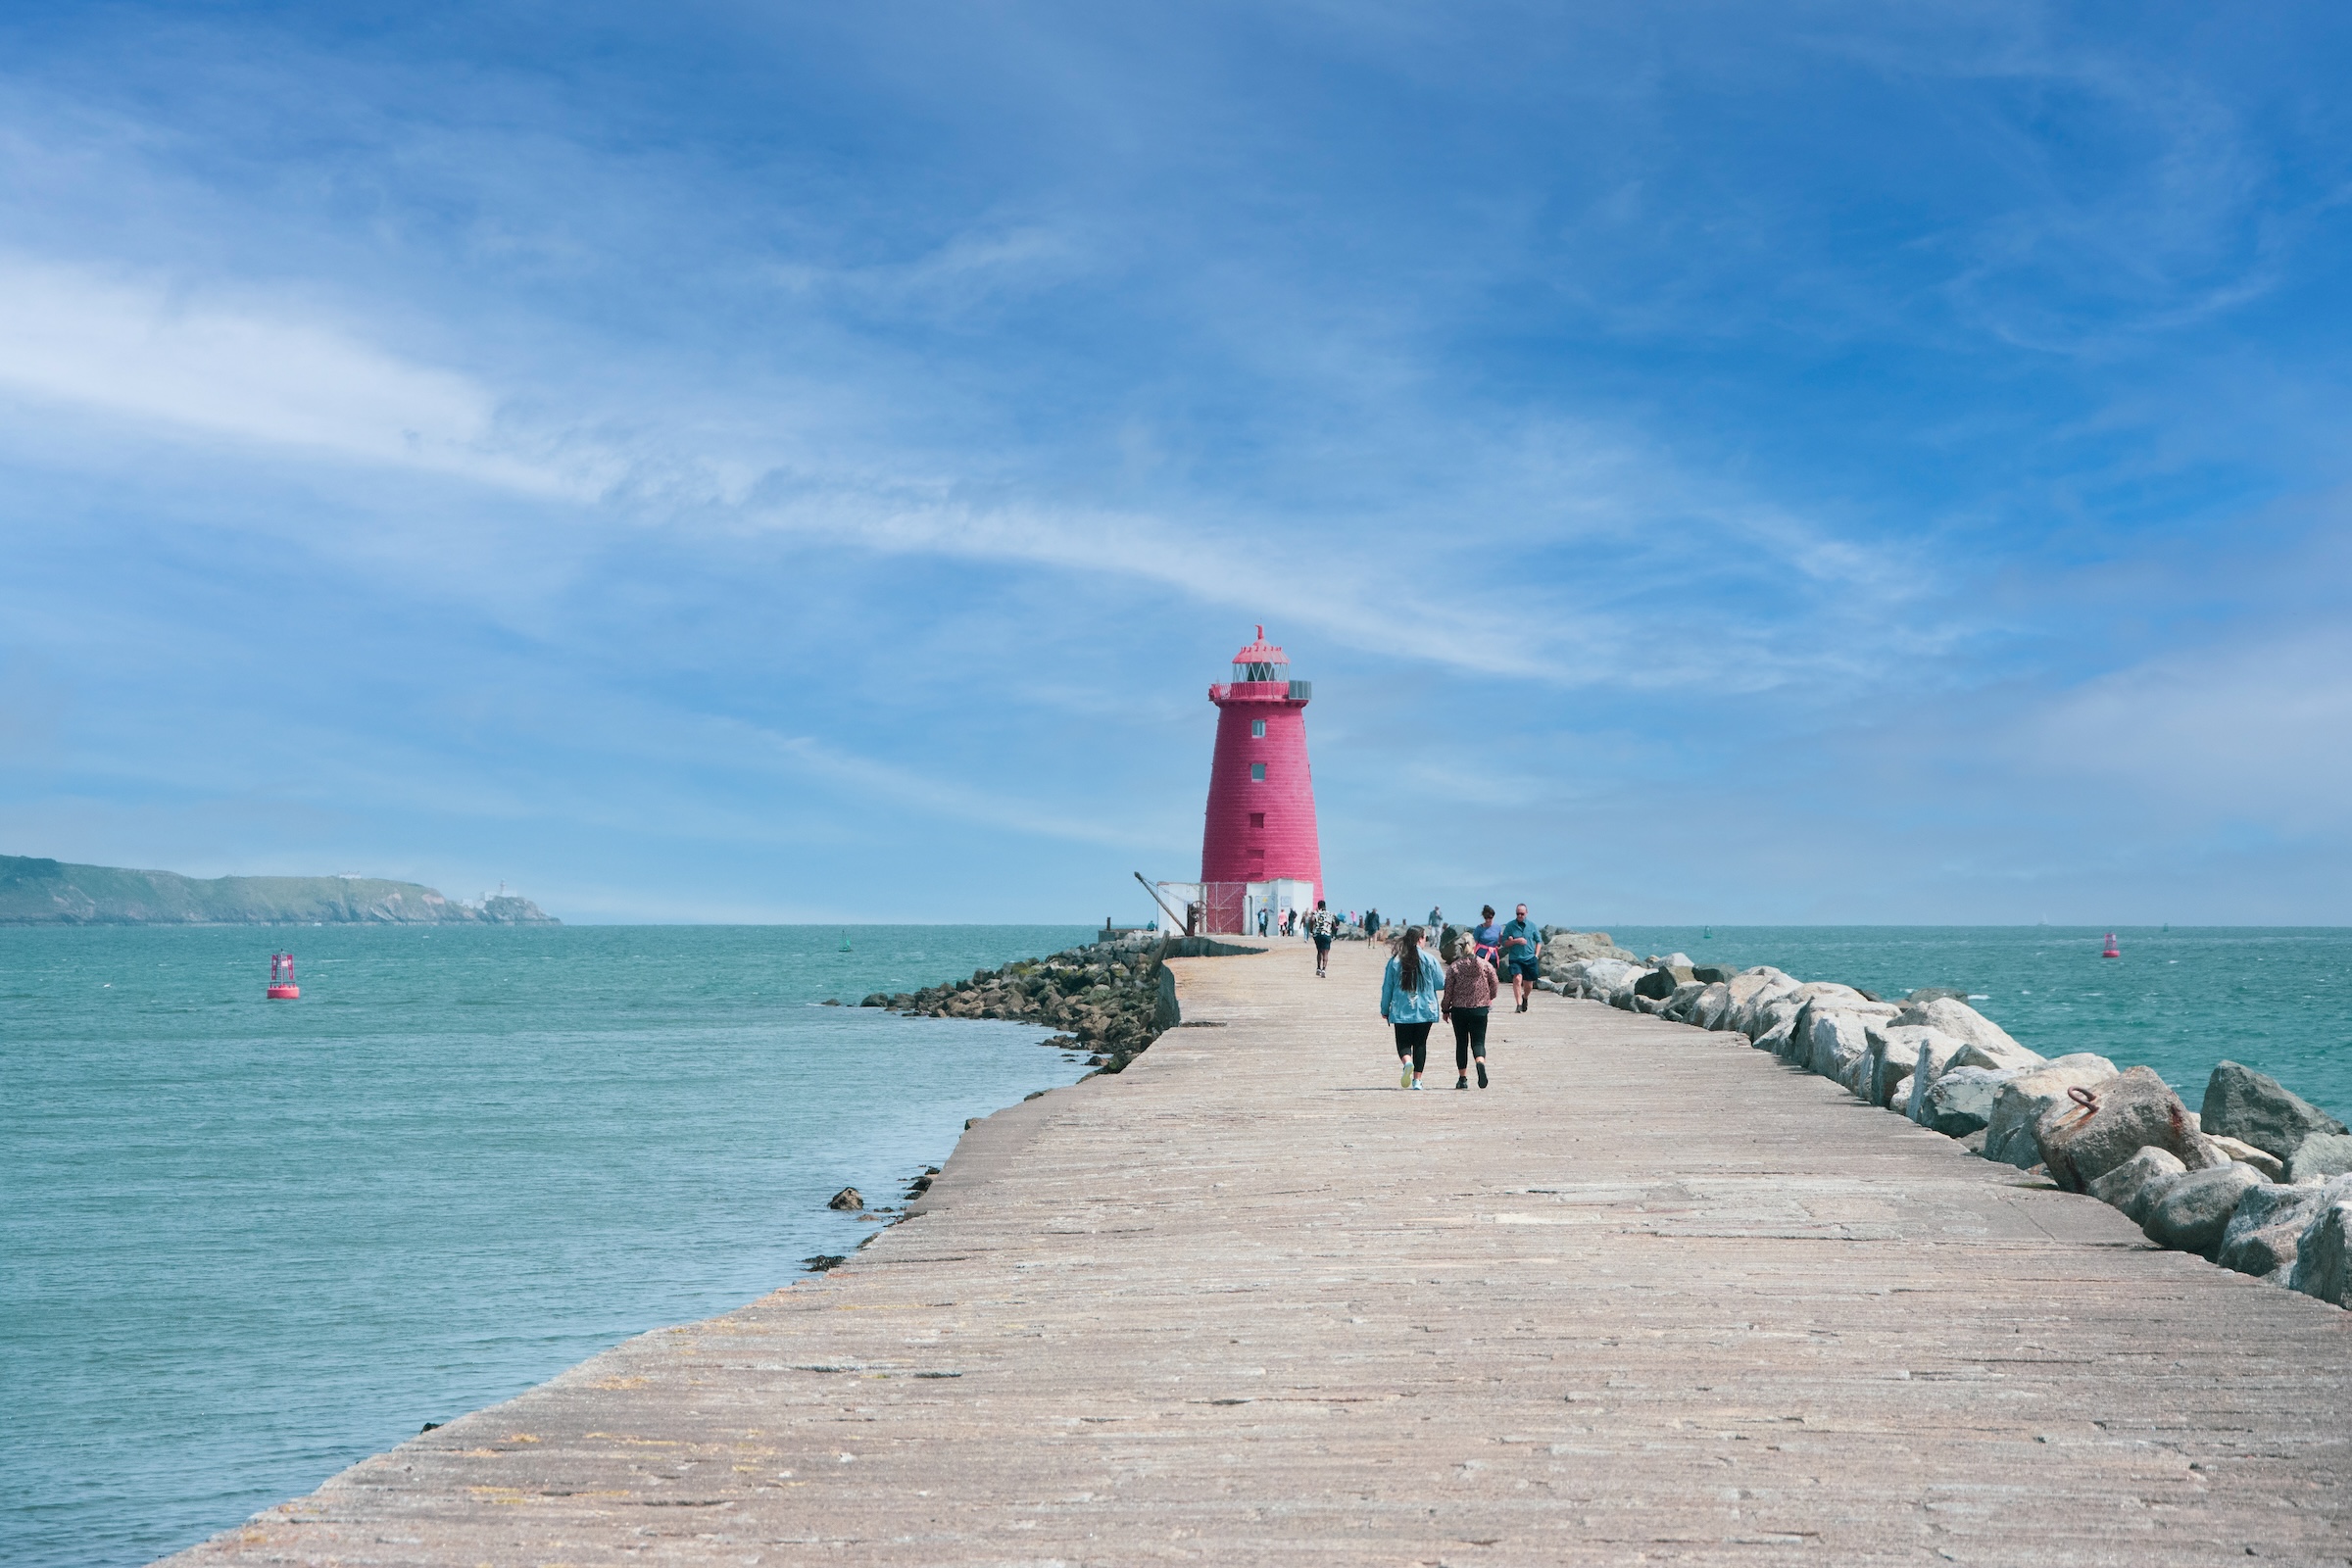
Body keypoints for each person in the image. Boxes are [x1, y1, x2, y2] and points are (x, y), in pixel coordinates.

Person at [1379, 925, 1445, 1090]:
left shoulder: (1395, 961)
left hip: (1402, 1010)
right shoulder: (1430, 959)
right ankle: (1417, 1081)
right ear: (1419, 939)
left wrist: (1384, 1009)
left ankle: (1408, 1062)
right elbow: (1440, 983)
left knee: (1403, 1043)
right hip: (1426, 1009)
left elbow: (1387, 987)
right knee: (1420, 1044)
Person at [1440, 937, 1498, 1089]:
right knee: (1478, 1042)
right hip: (1479, 1009)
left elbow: (1448, 991)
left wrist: (1445, 1009)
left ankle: (1463, 1078)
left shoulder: (1454, 967)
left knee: (1461, 1043)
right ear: (1475, 946)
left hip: (1459, 1010)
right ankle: (1480, 1062)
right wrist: (1489, 997)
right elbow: (1494, 983)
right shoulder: (1485, 965)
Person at [1498, 903, 1542, 1012]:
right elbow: (1504, 943)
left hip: (1530, 958)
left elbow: (1539, 941)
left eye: (1522, 914)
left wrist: (1536, 955)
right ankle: (1518, 1004)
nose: (1520, 916)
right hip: (1515, 958)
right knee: (1517, 979)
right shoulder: (1510, 926)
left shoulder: (1532, 926)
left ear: (1526, 913)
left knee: (1529, 985)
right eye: (1518, 914)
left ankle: (1525, 997)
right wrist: (1515, 941)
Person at [1307, 900, 1336, 977]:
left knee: (1319, 951)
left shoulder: (1316, 913)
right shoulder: (1330, 913)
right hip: (1327, 934)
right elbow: (1334, 925)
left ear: (1318, 906)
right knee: (1325, 953)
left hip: (1318, 934)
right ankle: (1324, 969)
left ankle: (1318, 968)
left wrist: (1311, 930)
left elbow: (1312, 920)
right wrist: (1333, 933)